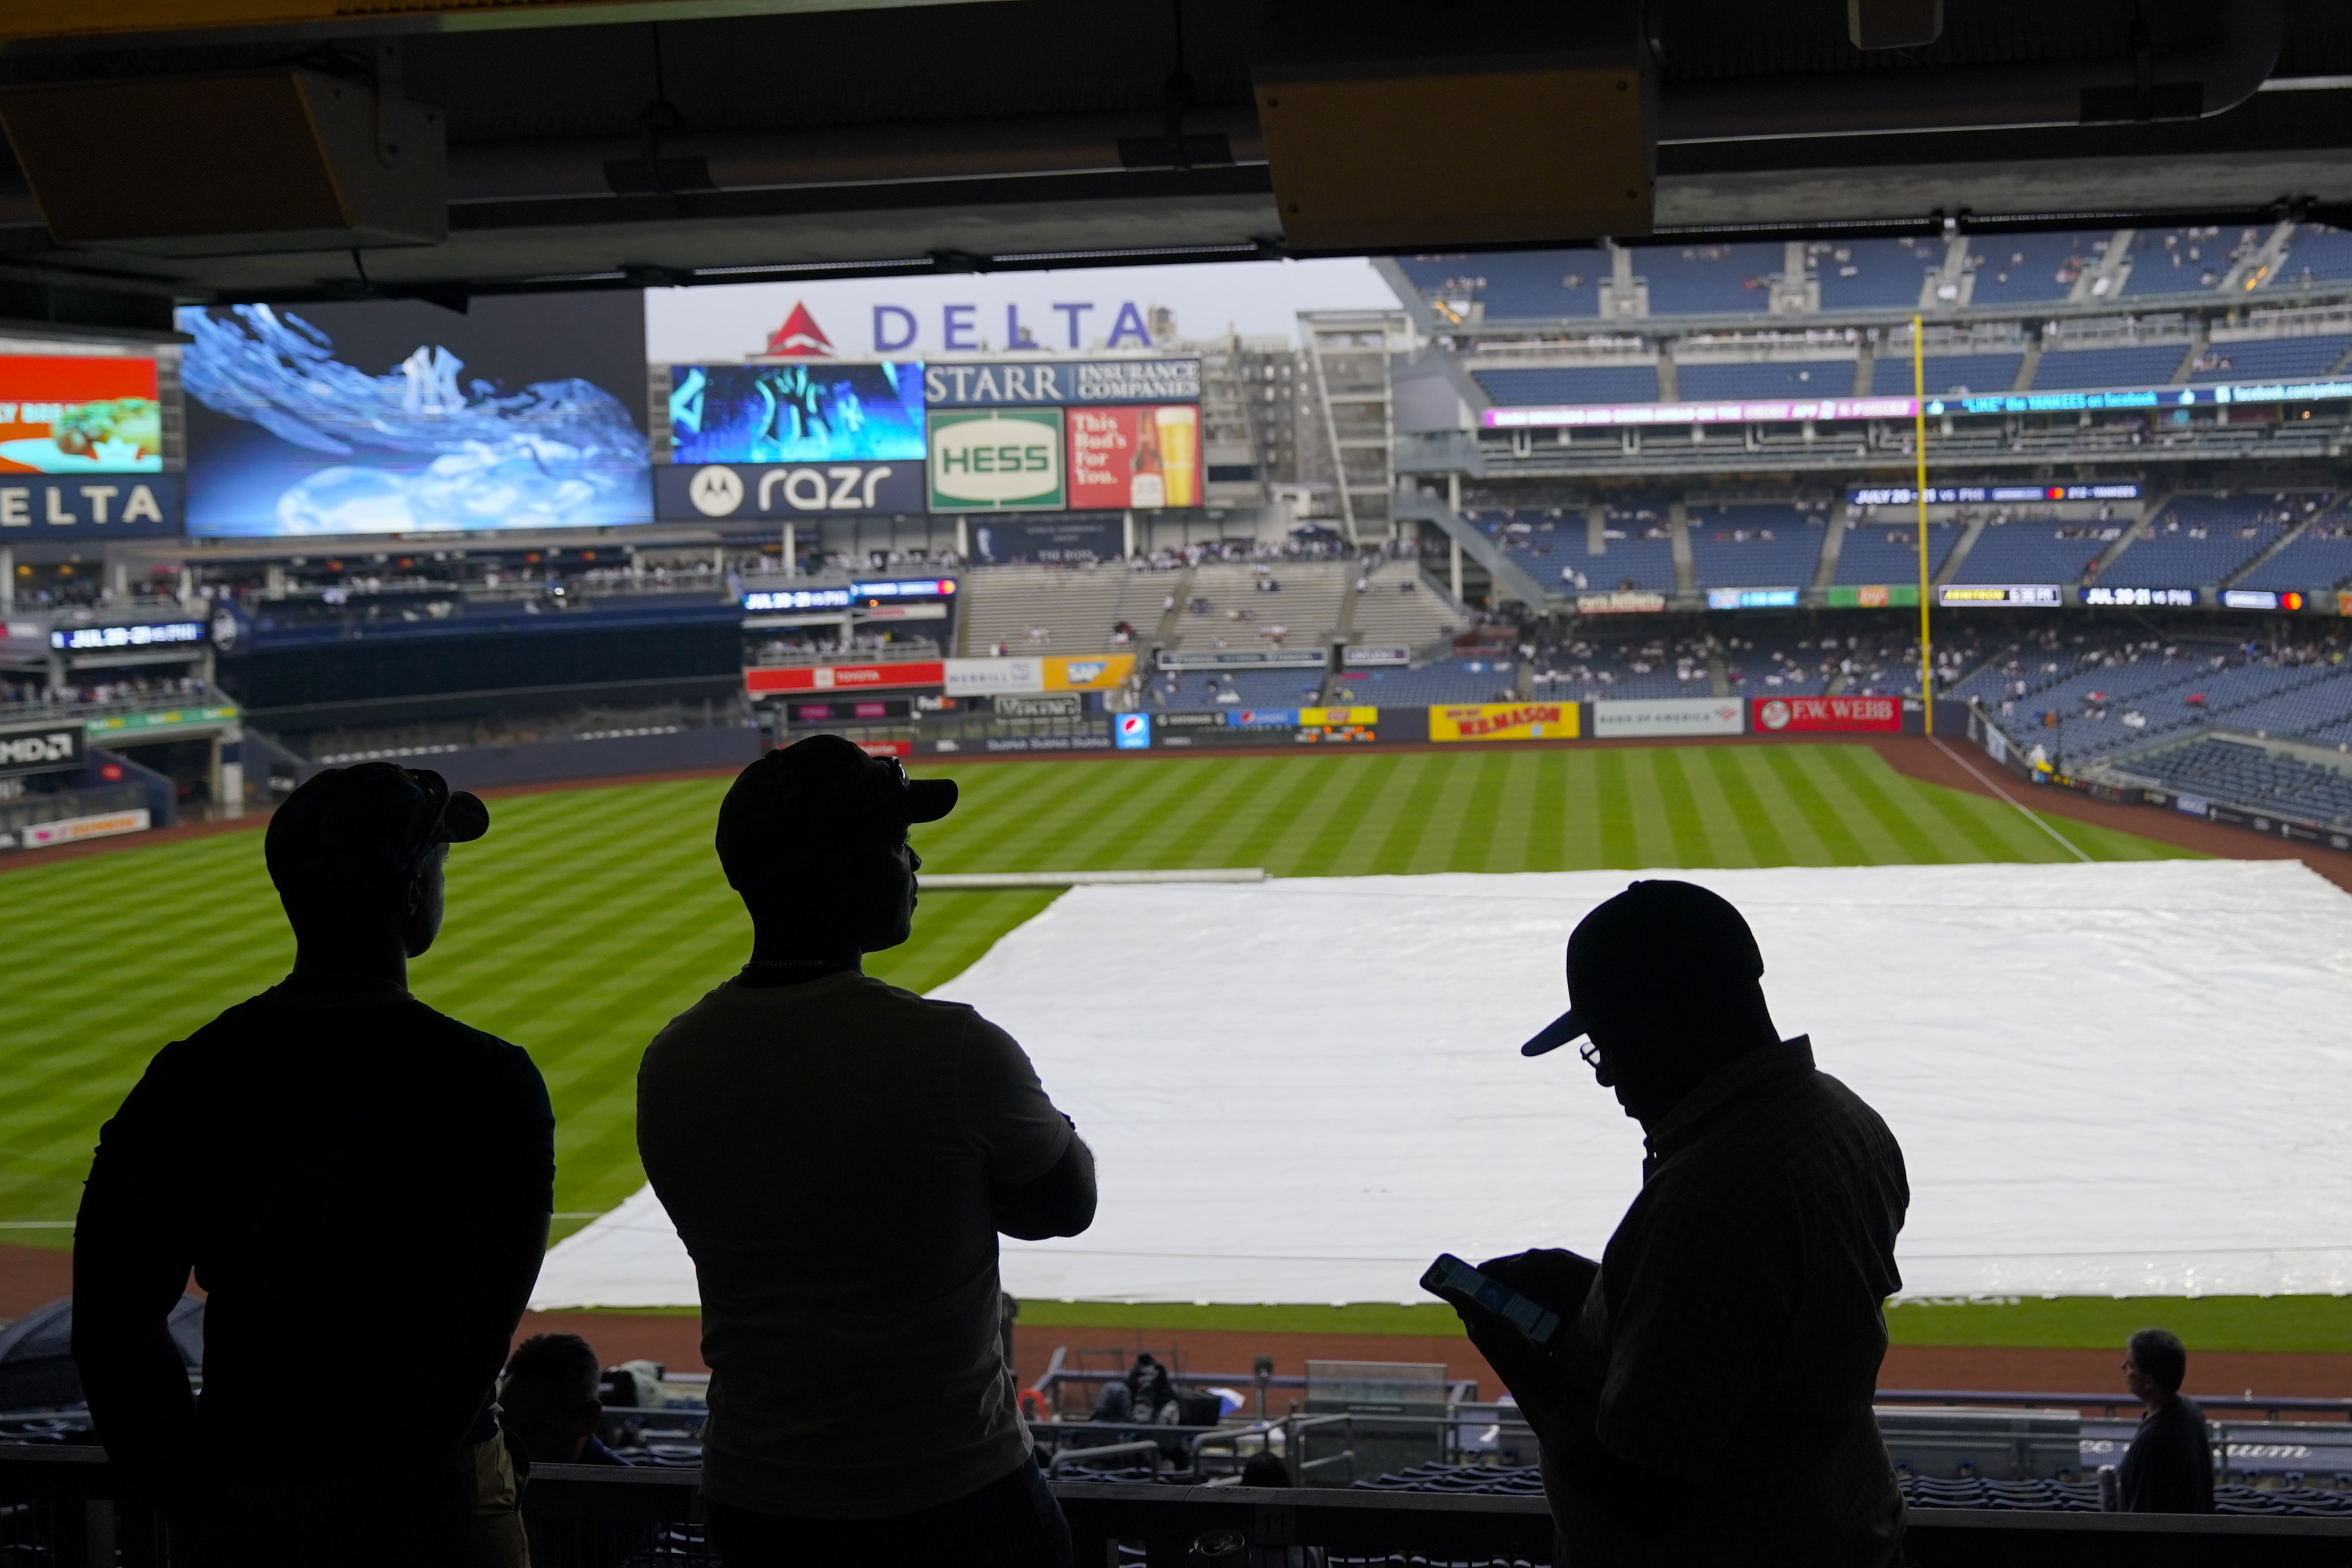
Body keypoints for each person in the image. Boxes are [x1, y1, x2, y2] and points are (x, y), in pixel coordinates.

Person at [72, 764, 552, 1567]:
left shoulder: (190, 1076)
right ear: (408, 896)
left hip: (252, 1491)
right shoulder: (489, 1079)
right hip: (437, 1508)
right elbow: (474, 1339)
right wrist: (379, 1506)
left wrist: (207, 1520)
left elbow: (112, 1334)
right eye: (436, 865)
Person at [637, 735, 1097, 1567]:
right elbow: (1067, 1203)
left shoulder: (673, 1058)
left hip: (757, 1498)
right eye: (893, 843)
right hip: (955, 1492)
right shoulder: (954, 1050)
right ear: (841, 866)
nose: (913, 859)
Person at [1431, 880, 1908, 1567]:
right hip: (1841, 1527)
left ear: (1661, 1020)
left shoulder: (1707, 1195)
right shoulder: (1841, 1117)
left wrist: (1505, 1344)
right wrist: (1604, 1290)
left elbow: (1641, 1491)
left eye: (1606, 1044)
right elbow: (1754, 1320)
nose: (1605, 1078)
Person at [2113, 1329, 2213, 1513]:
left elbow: (2145, 1522)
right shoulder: (2190, 1410)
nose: (2123, 1368)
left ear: (2149, 1382)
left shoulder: (2153, 1441)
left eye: (2131, 1366)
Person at [501, 1331, 628, 1467]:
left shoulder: (496, 1474)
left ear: (588, 1419)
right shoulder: (628, 1485)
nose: (507, 1445)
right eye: (501, 1427)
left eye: (534, 1429)